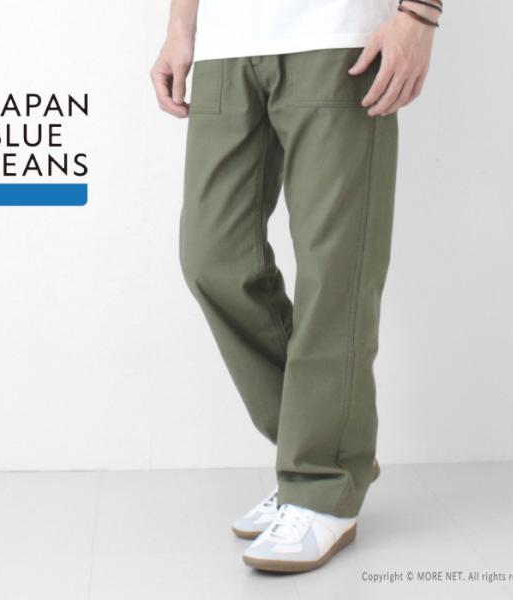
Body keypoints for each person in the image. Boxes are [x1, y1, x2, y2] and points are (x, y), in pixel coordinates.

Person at [151, 0, 440, 574]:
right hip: (227, 43)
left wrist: (419, 16)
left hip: (338, 36)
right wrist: (180, 28)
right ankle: (325, 448)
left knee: (336, 269)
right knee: (212, 257)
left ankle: (322, 481)